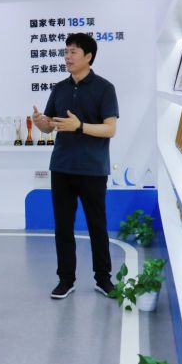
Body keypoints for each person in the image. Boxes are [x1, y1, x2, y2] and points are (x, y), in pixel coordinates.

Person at [32, 32, 118, 300]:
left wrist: (79, 126)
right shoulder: (59, 88)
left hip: (93, 169)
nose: (67, 57)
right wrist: (42, 123)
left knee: (97, 226)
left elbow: (110, 129)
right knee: (63, 227)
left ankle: (103, 279)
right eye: (66, 51)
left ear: (88, 57)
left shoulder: (105, 88)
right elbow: (50, 126)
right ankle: (65, 279)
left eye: (73, 52)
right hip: (61, 167)